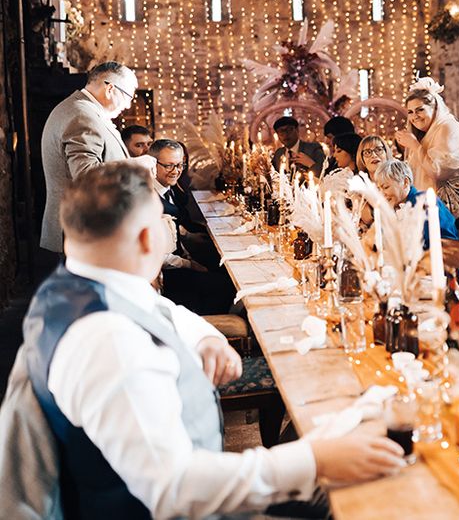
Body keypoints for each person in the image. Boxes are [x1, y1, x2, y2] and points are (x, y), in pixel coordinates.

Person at [18, 162, 404, 519]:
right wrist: (313, 460)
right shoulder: (110, 342)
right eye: (163, 222)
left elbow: (156, 309)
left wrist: (207, 337)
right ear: (146, 237)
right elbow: (173, 488)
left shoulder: (74, 286)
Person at [40, 60, 153, 254]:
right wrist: (136, 165)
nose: (127, 106)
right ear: (110, 88)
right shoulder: (82, 116)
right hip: (83, 229)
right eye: (128, 97)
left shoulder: (83, 110)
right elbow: (85, 175)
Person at [394, 77, 459, 238]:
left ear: (434, 108)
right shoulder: (428, 132)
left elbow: (437, 170)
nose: (414, 116)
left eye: (420, 109)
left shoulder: (448, 128)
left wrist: (414, 145)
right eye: (410, 112)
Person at [149, 139, 235, 315]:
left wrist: (190, 258)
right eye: (169, 166)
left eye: (180, 165)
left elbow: (174, 236)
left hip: (179, 260)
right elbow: (157, 255)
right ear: (152, 164)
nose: (176, 171)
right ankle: (207, 325)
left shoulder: (168, 188)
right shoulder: (148, 199)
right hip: (166, 273)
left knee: (223, 267)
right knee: (226, 286)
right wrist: (190, 264)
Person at [375, 159, 459, 297]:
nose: (382, 193)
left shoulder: (423, 203)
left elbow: (426, 248)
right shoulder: (397, 206)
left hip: (445, 275)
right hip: (419, 273)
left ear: (405, 182)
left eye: (386, 187)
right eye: (379, 189)